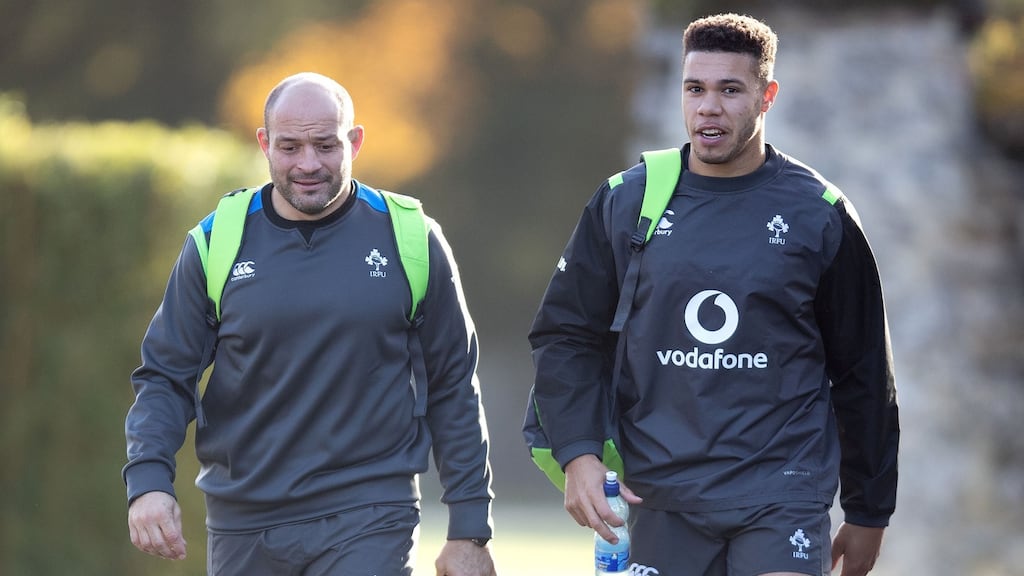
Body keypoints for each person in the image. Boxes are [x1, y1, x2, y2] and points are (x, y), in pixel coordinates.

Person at [528, 13, 898, 576]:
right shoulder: (626, 202)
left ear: (766, 95)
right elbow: (566, 335)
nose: (708, 107)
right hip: (658, 494)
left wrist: (870, 508)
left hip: (783, 490)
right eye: (694, 88)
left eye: (730, 90)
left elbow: (864, 372)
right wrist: (578, 454)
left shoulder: (818, 214)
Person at [123, 72, 497, 576]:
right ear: (264, 144)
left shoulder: (410, 238)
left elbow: (454, 383)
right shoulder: (217, 243)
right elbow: (166, 375)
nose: (308, 164)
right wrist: (148, 481)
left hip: (369, 512)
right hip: (243, 521)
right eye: (290, 146)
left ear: (355, 141)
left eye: (325, 145)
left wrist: (469, 529)